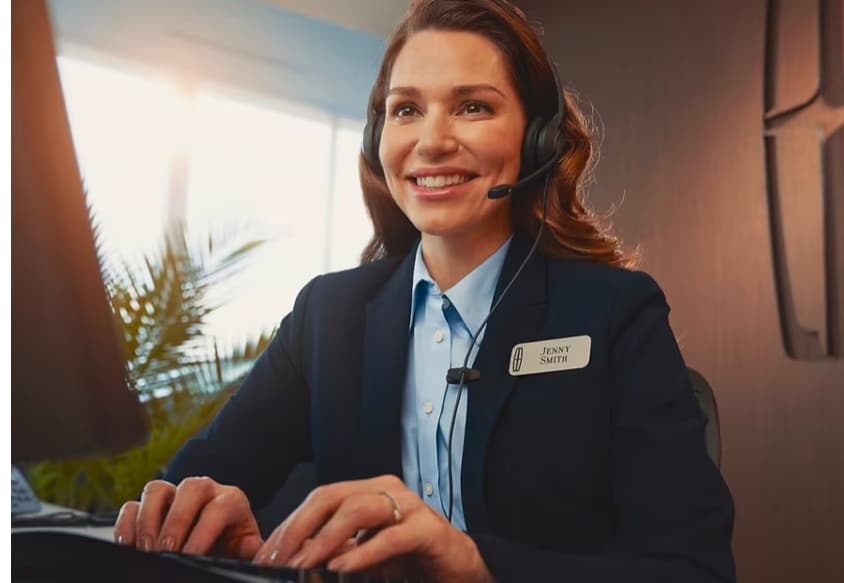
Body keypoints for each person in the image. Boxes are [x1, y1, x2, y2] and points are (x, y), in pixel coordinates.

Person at [114, 0, 736, 581]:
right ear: (377, 139)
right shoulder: (327, 317)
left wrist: (475, 564)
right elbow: (201, 485)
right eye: (406, 110)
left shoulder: (615, 314)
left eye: (473, 107)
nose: (432, 141)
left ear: (537, 139)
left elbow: (693, 568)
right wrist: (200, 513)